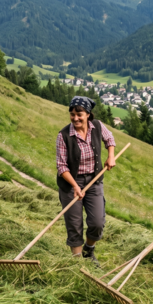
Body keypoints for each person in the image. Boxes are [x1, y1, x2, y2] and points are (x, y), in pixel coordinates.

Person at [55, 96, 116, 263]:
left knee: (97, 222)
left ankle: (88, 251)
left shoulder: (97, 126)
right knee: (74, 224)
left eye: (79, 114)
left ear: (88, 114)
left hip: (94, 180)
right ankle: (77, 262)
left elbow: (110, 139)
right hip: (70, 184)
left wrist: (111, 157)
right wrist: (75, 186)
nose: (75, 118)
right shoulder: (64, 135)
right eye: (72, 114)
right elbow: (61, 167)